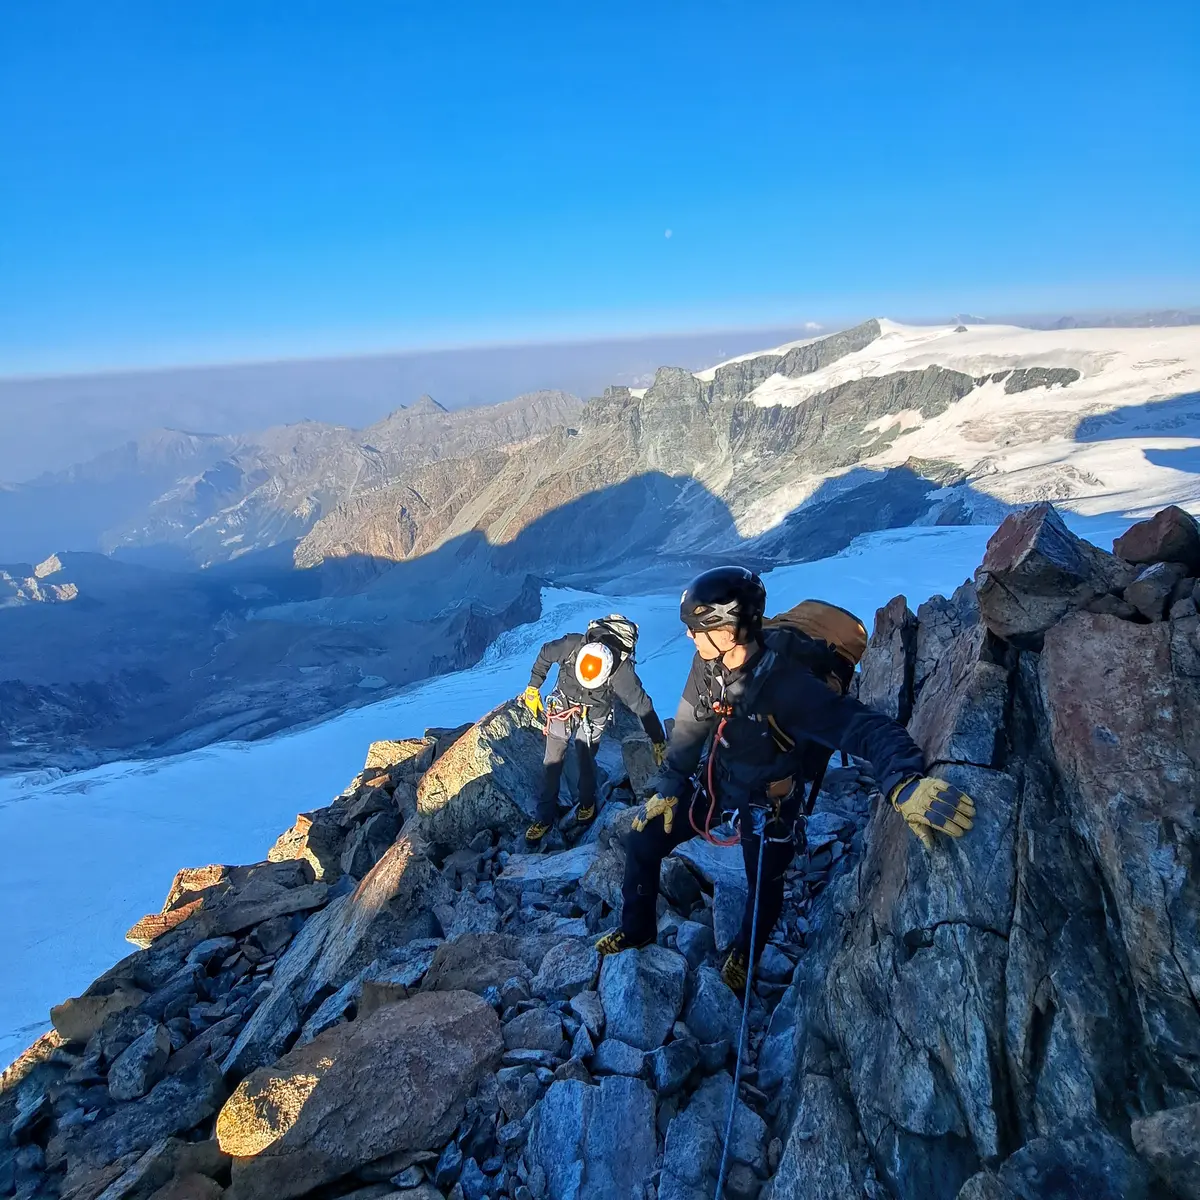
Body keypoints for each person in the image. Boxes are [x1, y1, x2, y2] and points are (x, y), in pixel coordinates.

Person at [595, 566, 976, 991]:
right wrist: (669, 788)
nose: (689, 635)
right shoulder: (708, 663)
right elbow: (688, 727)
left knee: (763, 884)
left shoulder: (787, 686)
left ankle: (745, 954)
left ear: (730, 630)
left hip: (769, 802)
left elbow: (866, 728)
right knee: (643, 839)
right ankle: (637, 930)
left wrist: (903, 781)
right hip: (720, 780)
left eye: (698, 628)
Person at [521, 613, 667, 846]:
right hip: (564, 704)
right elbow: (546, 652)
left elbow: (642, 705)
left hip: (594, 712)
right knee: (552, 762)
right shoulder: (572, 645)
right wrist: (532, 687)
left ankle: (586, 802)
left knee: (585, 759)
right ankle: (545, 817)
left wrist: (658, 738)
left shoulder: (620, 672)